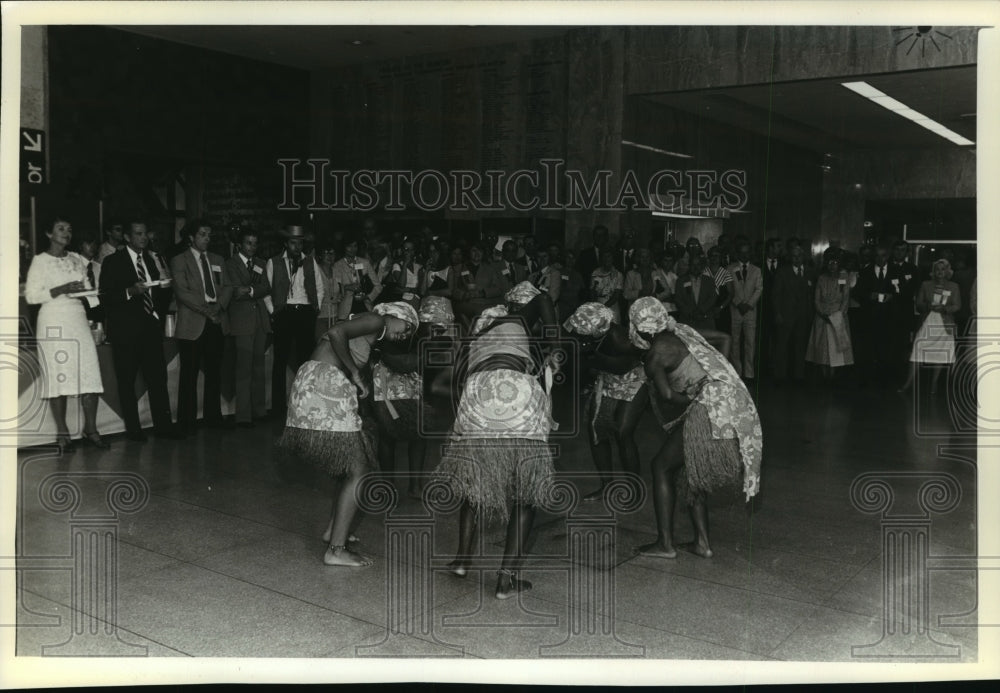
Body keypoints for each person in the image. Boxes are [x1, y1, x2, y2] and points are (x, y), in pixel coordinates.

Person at [438, 282, 560, 599]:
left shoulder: (477, 334)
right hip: (514, 390)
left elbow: (452, 382)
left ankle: (463, 559)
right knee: (525, 491)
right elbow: (545, 299)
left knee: (474, 483)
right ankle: (505, 580)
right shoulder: (517, 319)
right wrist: (554, 344)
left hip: (476, 392)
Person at [278, 301, 418, 567]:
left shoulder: (372, 335)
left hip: (318, 383)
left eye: (409, 334)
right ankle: (336, 549)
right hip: (323, 384)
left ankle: (335, 531)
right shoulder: (377, 321)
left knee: (354, 464)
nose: (405, 334)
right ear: (392, 315)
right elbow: (336, 332)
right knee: (358, 469)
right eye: (406, 326)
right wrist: (354, 372)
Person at [629, 297, 761, 559]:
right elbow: (724, 338)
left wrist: (695, 396)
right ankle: (702, 543)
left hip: (708, 407)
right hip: (731, 400)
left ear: (639, 328)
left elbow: (667, 396)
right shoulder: (682, 330)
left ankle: (665, 545)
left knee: (661, 466)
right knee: (692, 471)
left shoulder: (655, 353)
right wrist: (717, 375)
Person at [24, 216, 109, 453]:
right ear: (49, 234)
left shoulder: (75, 259)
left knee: (89, 373)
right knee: (58, 376)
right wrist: (62, 289)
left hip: (78, 319)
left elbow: (85, 290)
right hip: (53, 320)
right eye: (60, 229)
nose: (66, 233)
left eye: (69, 229)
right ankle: (62, 434)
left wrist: (91, 293)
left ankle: (91, 430)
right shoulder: (40, 261)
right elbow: (31, 296)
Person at [99, 220, 178, 441]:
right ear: (127, 237)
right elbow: (106, 297)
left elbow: (156, 296)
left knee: (157, 379)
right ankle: (134, 430)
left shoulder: (151, 261)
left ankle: (163, 427)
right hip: (125, 331)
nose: (144, 237)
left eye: (146, 233)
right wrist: (129, 291)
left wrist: (162, 294)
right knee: (127, 381)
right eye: (139, 233)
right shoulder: (112, 261)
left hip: (150, 328)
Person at [564, 302, 646, 501]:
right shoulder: (587, 333)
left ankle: (634, 491)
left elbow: (623, 367)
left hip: (633, 378)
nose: (577, 333)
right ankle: (606, 486)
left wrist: (592, 358)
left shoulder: (620, 338)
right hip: (606, 376)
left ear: (595, 331)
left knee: (623, 431)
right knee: (596, 430)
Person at [170, 220, 227, 434]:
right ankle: (187, 422)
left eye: (209, 234)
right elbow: (183, 292)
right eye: (203, 234)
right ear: (191, 237)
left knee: (214, 372)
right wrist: (207, 311)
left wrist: (218, 307)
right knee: (189, 374)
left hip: (215, 321)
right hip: (193, 322)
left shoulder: (218, 260)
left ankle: (214, 418)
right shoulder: (179, 260)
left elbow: (227, 286)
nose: (207, 238)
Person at [265, 224, 326, 413]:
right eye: (293, 243)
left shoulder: (310, 261)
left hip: (305, 312)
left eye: (300, 243)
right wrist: (273, 312)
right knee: (280, 360)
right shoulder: (273, 262)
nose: (297, 247)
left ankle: (304, 405)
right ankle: (277, 407)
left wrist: (314, 308)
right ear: (286, 243)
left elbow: (319, 287)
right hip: (284, 312)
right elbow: (267, 291)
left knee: (305, 360)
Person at [221, 228, 272, 428]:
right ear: (240, 245)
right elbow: (234, 291)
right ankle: (243, 415)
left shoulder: (261, 263)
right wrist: (253, 290)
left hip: (260, 319)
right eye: (248, 243)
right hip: (241, 322)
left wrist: (249, 289)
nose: (252, 247)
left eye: (255, 243)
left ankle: (259, 411)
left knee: (259, 368)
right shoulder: (230, 264)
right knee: (243, 369)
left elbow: (266, 287)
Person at [899, 259, 961, 395]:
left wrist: (944, 308)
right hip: (927, 321)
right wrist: (928, 306)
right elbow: (918, 304)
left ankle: (933, 385)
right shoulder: (925, 284)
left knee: (939, 354)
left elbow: (957, 305)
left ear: (948, 271)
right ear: (933, 271)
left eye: (943, 269)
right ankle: (907, 384)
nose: (940, 272)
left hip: (945, 324)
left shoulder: (954, 286)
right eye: (937, 269)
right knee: (917, 350)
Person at [805, 252, 854, 382]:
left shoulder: (844, 276)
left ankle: (834, 377)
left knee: (836, 348)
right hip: (822, 316)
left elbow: (845, 299)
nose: (833, 266)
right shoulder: (821, 278)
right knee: (822, 346)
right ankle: (823, 376)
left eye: (835, 263)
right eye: (830, 263)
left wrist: (838, 315)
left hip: (838, 316)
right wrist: (822, 313)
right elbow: (816, 299)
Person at [771, 245, 814, 383]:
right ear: (790, 257)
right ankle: (780, 376)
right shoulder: (782, 272)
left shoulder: (810, 271)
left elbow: (812, 295)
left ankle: (799, 376)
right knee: (782, 346)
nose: (797, 259)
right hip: (785, 315)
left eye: (799, 256)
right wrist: (777, 313)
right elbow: (776, 295)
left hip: (803, 316)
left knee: (800, 346)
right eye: (794, 256)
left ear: (803, 256)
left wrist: (811, 314)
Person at [726, 242, 763, 382]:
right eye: (742, 252)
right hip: (735, 310)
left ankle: (749, 373)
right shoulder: (730, 268)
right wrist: (738, 303)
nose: (745, 255)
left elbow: (759, 289)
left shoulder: (756, 270)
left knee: (750, 342)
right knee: (734, 341)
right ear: (737, 254)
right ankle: (737, 372)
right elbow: (728, 289)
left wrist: (748, 305)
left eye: (747, 252)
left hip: (750, 311)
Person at [451, 244, 505, 324]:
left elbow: (498, 289)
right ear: (469, 253)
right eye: (474, 250)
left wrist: (483, 293)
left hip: (485, 303)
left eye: (480, 250)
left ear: (483, 253)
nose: (477, 253)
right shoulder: (460, 268)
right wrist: (464, 295)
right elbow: (454, 290)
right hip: (467, 304)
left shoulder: (490, 269)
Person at [333, 235, 382, 319]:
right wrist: (347, 287)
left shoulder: (365, 263)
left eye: (355, 246)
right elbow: (335, 289)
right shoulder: (337, 265)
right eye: (349, 246)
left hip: (365, 306)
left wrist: (367, 297)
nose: (353, 249)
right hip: (345, 310)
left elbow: (378, 286)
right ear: (344, 247)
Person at [589, 248, 625, 322]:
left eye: (608, 256)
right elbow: (592, 291)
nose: (606, 259)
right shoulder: (595, 272)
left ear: (612, 258)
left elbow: (616, 295)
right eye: (604, 256)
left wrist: (603, 308)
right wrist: (596, 307)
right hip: (597, 306)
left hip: (612, 307)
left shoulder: (618, 275)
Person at [315, 244, 341, 341]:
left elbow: (340, 291)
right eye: (326, 253)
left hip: (334, 316)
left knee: (333, 346)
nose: (329, 256)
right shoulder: (315, 270)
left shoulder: (337, 270)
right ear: (320, 255)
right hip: (319, 316)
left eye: (332, 253)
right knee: (320, 345)